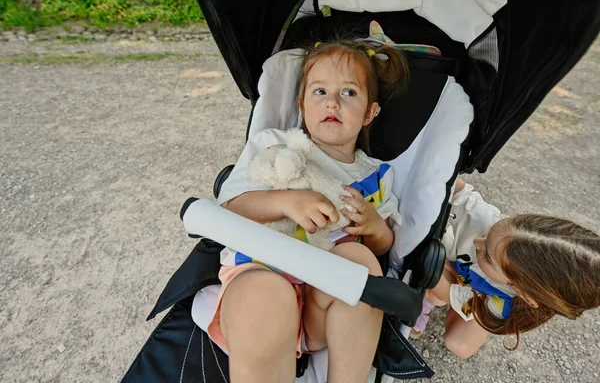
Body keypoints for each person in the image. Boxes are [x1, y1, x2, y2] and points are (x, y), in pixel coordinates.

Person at [206, 37, 410, 383]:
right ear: (301, 104)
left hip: (322, 309)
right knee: (264, 297)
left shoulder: (375, 176)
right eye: (319, 92)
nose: (332, 101)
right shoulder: (276, 145)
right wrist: (284, 200)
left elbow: (385, 247)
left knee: (362, 266)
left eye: (348, 93)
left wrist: (375, 228)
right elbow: (231, 206)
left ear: (369, 113)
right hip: (262, 274)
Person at [410, 178, 600, 359]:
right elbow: (453, 183)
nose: (477, 242)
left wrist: (430, 265)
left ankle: (445, 304)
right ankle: (438, 299)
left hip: (481, 293)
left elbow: (444, 290)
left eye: (488, 257)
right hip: (463, 269)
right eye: (489, 232)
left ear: (522, 292)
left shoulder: (506, 307)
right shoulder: (489, 220)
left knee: (459, 343)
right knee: (437, 280)